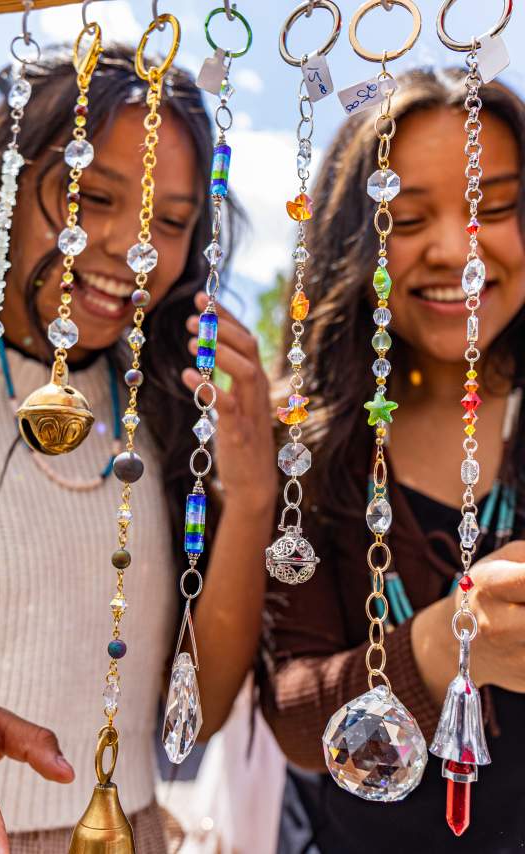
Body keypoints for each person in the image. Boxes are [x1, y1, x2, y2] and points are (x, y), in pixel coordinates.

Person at [0, 45, 276, 854]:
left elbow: (195, 706)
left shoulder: (165, 409)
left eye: (169, 224)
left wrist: (254, 496)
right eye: (91, 197)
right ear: (4, 184)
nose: (126, 249)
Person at [259, 68, 525, 854]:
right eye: (407, 218)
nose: (456, 251)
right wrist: (439, 648)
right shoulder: (304, 445)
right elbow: (293, 716)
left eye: (499, 208)